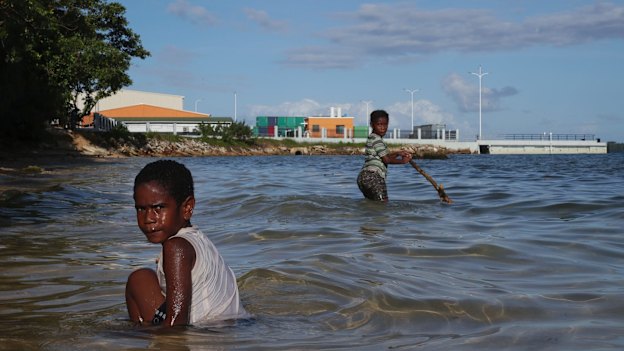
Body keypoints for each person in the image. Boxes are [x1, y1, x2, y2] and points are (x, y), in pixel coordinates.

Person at [126, 159, 247, 327]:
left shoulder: (176, 247)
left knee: (138, 280)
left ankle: (137, 336)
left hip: (204, 338)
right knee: (142, 278)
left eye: (158, 208)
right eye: (141, 209)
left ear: (187, 208)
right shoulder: (198, 239)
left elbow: (176, 325)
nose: (148, 219)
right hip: (233, 330)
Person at [357, 110, 412, 201]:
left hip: (363, 177)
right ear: (372, 125)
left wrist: (398, 153)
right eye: (379, 124)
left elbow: (383, 157)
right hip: (373, 177)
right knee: (382, 204)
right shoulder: (377, 140)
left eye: (385, 124)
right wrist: (403, 161)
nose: (383, 128)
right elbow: (386, 160)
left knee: (372, 204)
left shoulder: (372, 138)